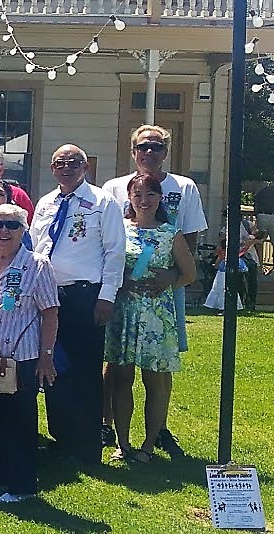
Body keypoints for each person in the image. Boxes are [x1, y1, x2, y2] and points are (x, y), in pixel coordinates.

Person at [102, 124, 207, 456]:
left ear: (166, 151)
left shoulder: (184, 187)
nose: (149, 152)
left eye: (157, 147)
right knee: (117, 369)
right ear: (133, 151)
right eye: (143, 147)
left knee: (157, 371)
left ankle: (156, 434)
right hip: (122, 299)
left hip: (162, 298)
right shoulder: (113, 188)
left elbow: (189, 239)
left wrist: (171, 276)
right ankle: (112, 431)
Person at [30, 144, 124, 466]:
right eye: (60, 163)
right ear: (52, 168)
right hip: (46, 294)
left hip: (85, 295)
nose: (66, 168)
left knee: (84, 371)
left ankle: (86, 446)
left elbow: (115, 251)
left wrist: (106, 296)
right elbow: (35, 246)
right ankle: (61, 439)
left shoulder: (102, 202)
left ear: (85, 167)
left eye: (73, 163)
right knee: (52, 367)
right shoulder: (45, 203)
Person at [0, 203, 59, 503]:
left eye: (12, 225)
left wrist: (46, 355)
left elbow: (51, 314)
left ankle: (22, 486)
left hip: (22, 358)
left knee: (18, 423)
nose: (4, 231)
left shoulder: (38, 265)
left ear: (23, 230)